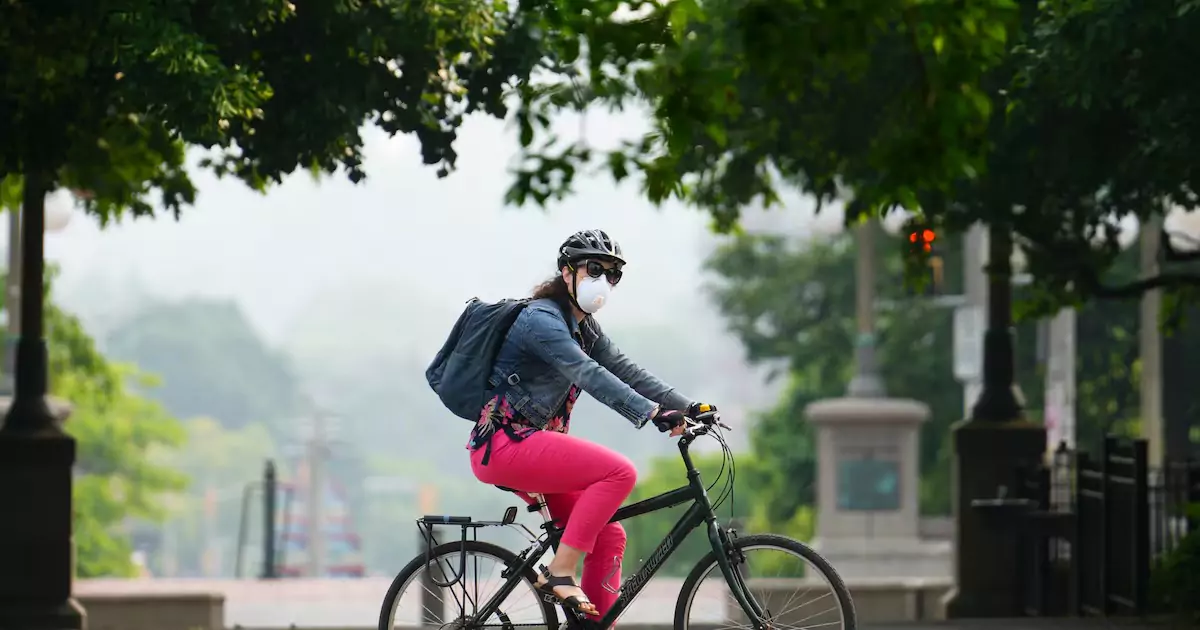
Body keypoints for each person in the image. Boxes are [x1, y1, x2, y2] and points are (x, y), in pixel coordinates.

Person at [466, 229, 716, 619]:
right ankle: (560, 570)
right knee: (619, 472)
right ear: (567, 272)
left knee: (609, 535)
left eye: (612, 274)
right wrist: (651, 413)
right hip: (505, 443)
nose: (603, 281)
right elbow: (589, 374)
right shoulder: (541, 321)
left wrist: (689, 406)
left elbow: (625, 369)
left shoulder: (583, 326)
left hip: (529, 445)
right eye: (594, 268)